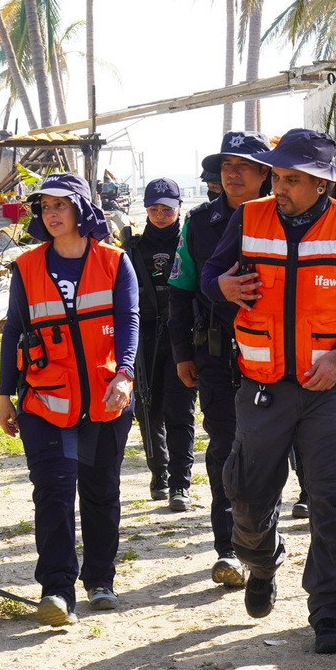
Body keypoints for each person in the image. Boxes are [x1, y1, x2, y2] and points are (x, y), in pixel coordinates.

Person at [200, 129, 336, 654]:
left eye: (290, 179)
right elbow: (210, 274)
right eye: (276, 176)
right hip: (261, 387)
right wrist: (224, 287)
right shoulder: (248, 217)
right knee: (248, 496)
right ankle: (262, 564)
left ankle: (327, 610)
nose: (277, 187)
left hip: (327, 389)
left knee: (331, 500)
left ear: (322, 183)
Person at [0, 172, 139, 627]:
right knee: (54, 491)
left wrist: (126, 374)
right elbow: (14, 331)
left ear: (81, 209)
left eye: (61, 205)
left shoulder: (115, 262)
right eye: (45, 207)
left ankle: (100, 581)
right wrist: (4, 394)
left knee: (100, 492)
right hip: (45, 398)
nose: (52, 213)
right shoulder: (27, 266)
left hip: (104, 397)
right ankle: (56, 590)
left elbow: (130, 320)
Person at [167, 131, 272, 590]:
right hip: (216, 357)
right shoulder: (199, 223)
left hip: (275, 358)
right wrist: (181, 355)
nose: (232, 173)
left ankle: (261, 544)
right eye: (227, 165)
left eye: (244, 165)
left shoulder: (285, 218)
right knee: (224, 449)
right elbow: (178, 293)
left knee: (269, 453)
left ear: (265, 174)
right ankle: (227, 548)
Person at [126, 178, 198, 510]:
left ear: (178, 207)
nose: (159, 214)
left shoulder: (192, 241)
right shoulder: (132, 248)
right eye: (153, 209)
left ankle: (180, 484)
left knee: (180, 410)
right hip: (145, 338)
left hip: (183, 337)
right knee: (147, 408)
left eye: (166, 209)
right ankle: (160, 474)